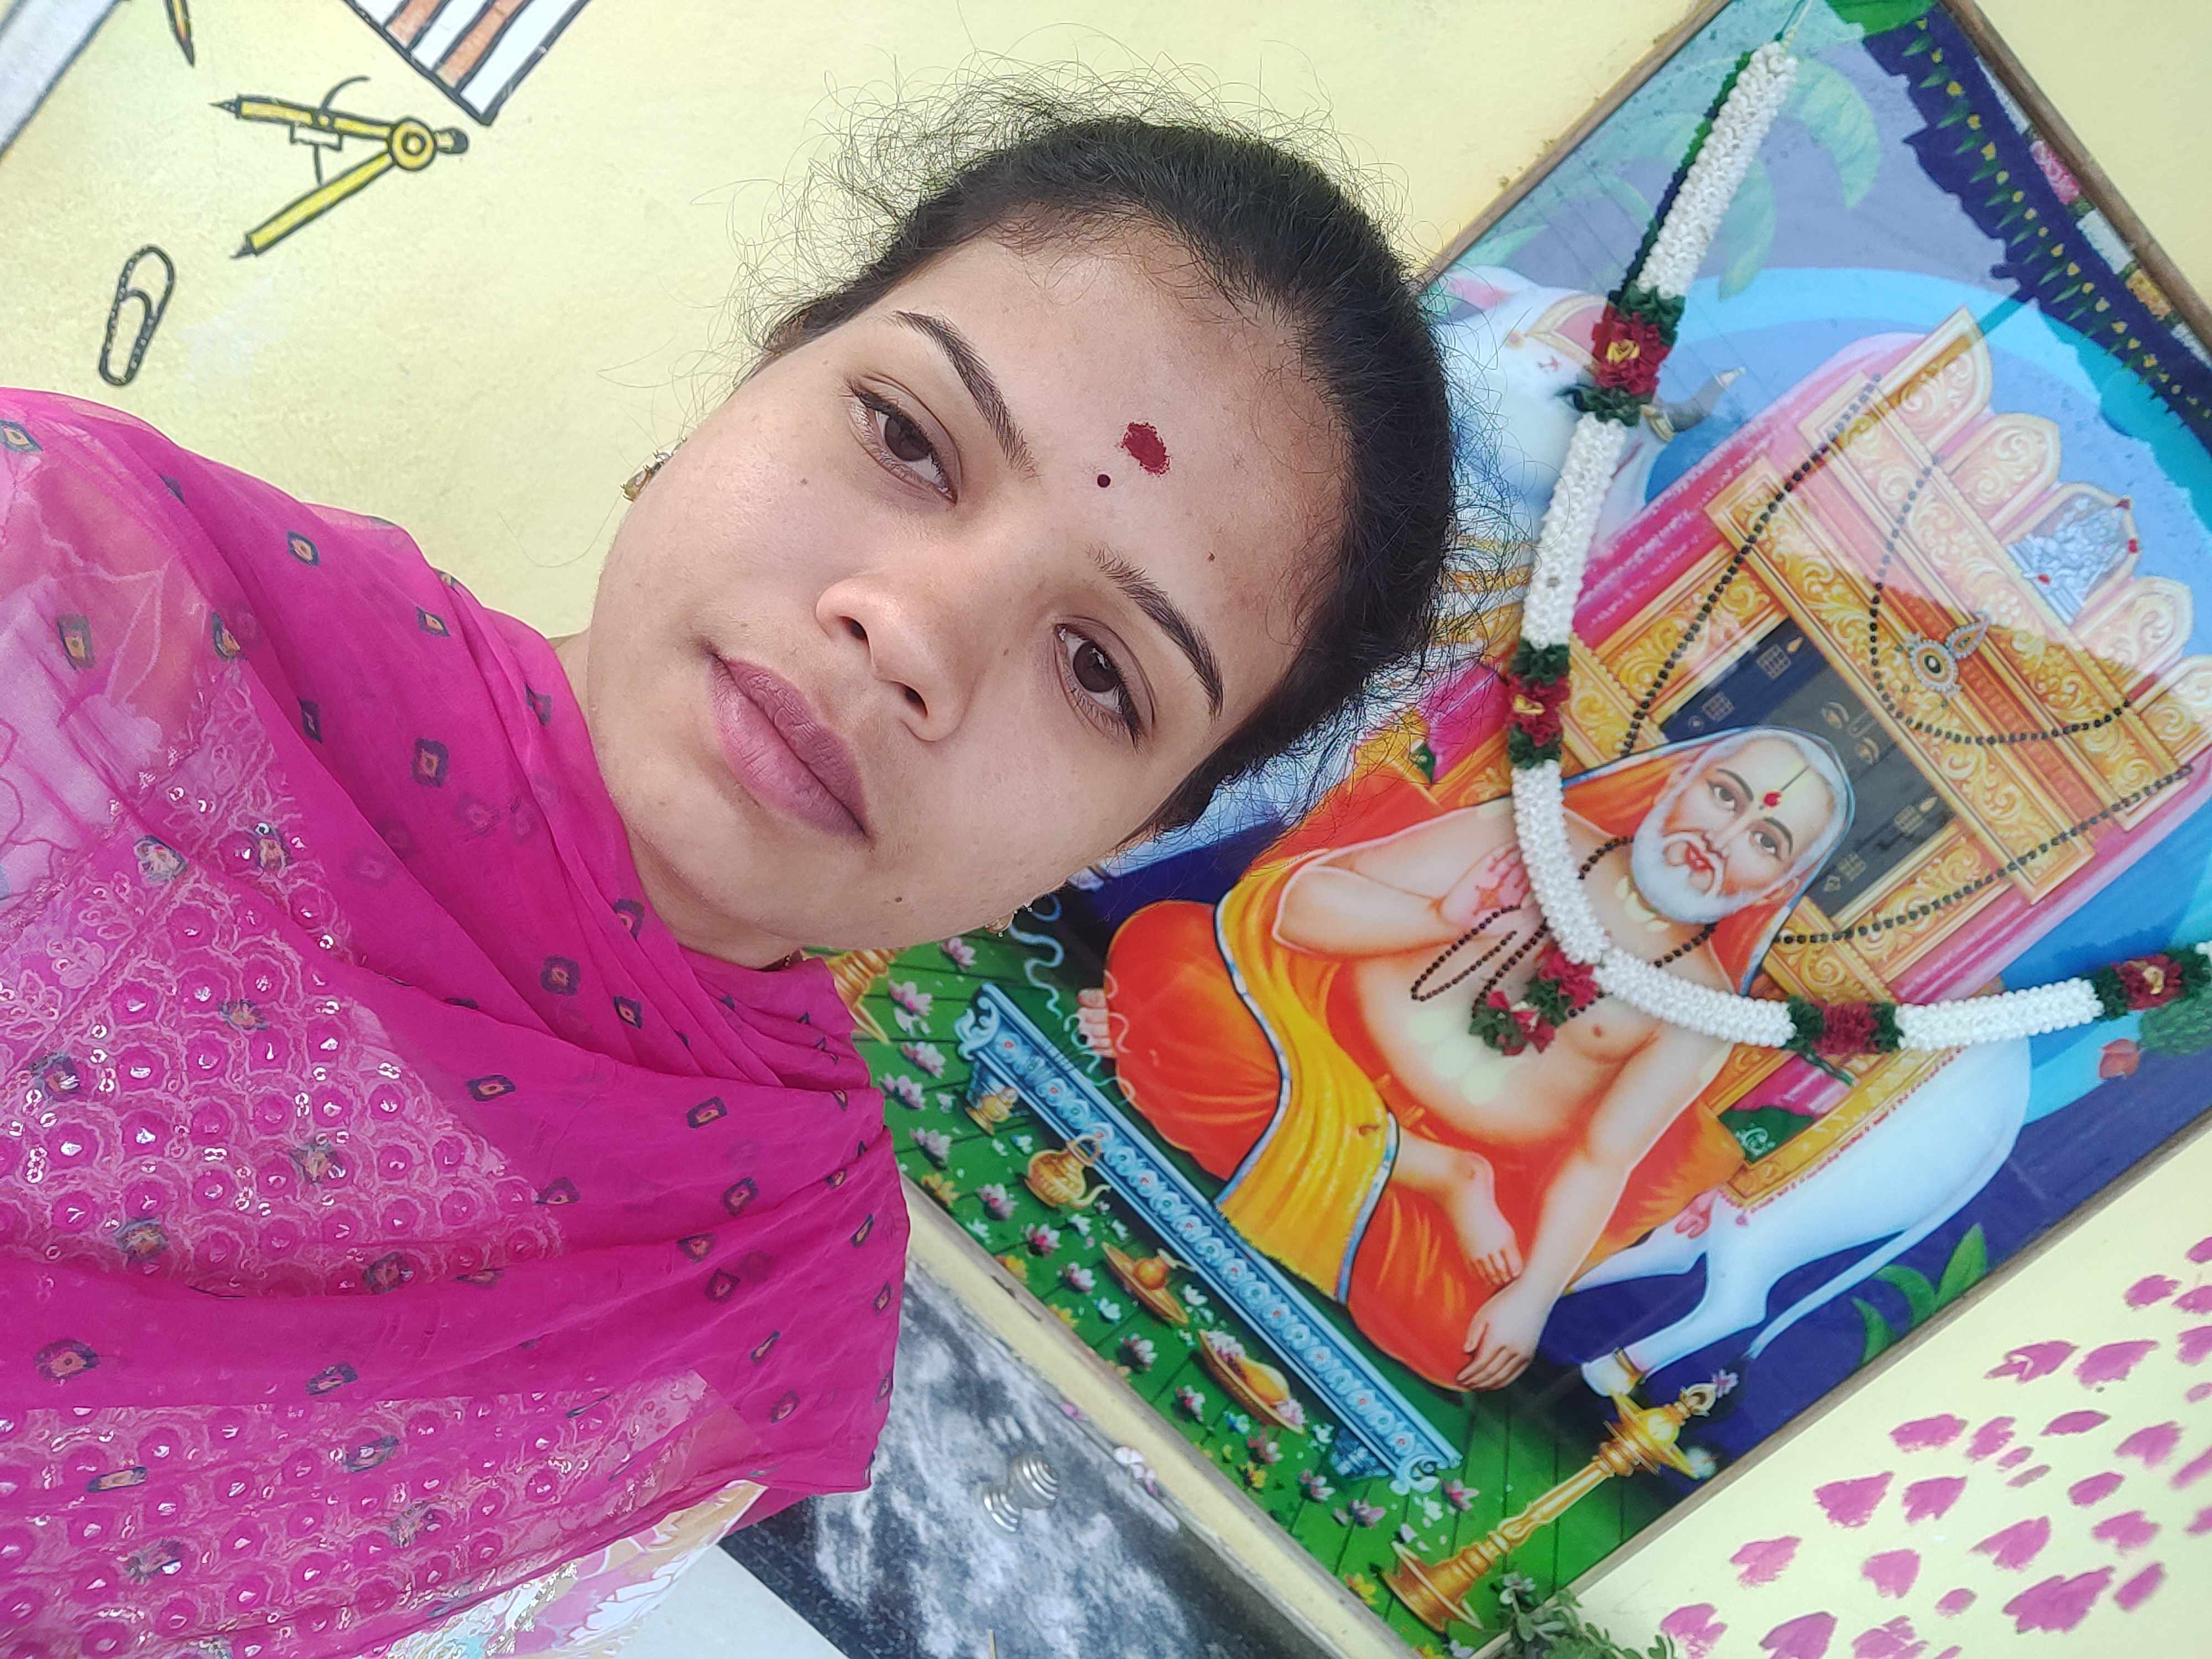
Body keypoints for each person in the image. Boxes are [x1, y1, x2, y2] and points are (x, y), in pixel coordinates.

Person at [0, 83, 1459, 1659]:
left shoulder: (783, 1304)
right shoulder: (64, 601)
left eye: (1101, 672)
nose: (911, 633)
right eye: (908, 438)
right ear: (763, 369)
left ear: (1128, 835)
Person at [1082, 726, 1853, 1394]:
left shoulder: (1699, 1009)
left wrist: (1532, 1299)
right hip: (1302, 1048)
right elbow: (1301, 909)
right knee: (1166, 957)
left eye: (1766, 840)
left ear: (1777, 884)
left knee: (1461, 1335)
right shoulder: (1531, 835)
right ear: (1680, 783)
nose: (1723, 838)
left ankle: (1223, 1088)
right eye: (1725, 795)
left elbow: (1600, 1161)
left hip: (1412, 1188)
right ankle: (1422, 1168)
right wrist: (1439, 918)